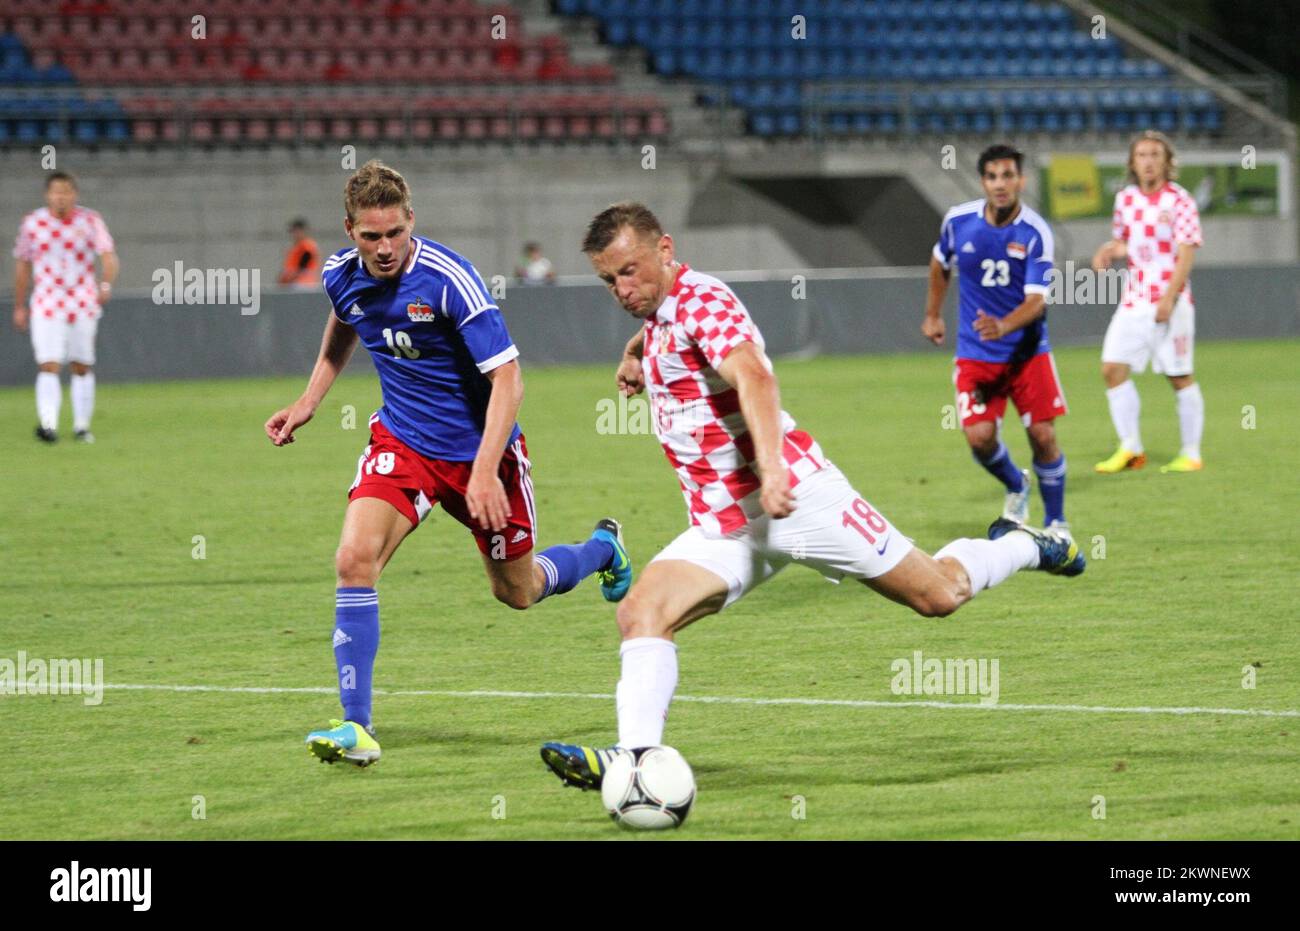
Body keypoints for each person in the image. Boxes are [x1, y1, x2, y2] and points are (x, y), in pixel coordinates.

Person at [538, 202, 1084, 791]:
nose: (621, 289)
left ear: (665, 250)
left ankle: (1030, 545)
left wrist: (771, 467)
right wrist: (633, 355)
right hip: (728, 526)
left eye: (630, 270)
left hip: (799, 498)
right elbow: (665, 335)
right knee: (641, 612)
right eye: (608, 279)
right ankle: (636, 760)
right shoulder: (664, 313)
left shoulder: (705, 301)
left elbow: (754, 375)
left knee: (939, 595)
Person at [264, 161, 632, 767]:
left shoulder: (449, 280)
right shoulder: (339, 276)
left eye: (394, 234)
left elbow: (509, 379)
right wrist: (309, 400)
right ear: (349, 230)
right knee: (354, 560)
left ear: (412, 220)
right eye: (370, 236)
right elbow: (344, 320)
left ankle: (601, 548)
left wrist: (485, 470)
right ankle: (356, 727)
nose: (384, 249)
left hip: (483, 456)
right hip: (404, 446)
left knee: (516, 593)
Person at [922, 144, 1071, 536]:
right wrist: (933, 314)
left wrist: (1004, 326)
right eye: (992, 176)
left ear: (1021, 180)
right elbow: (940, 261)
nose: (1000, 184)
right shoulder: (959, 221)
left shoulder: (1036, 232)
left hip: (1026, 352)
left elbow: (1037, 301)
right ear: (983, 181)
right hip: (976, 354)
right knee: (980, 438)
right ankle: (1016, 485)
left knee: (1043, 435)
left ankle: (1056, 523)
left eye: (1008, 176)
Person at [1091, 130, 1204, 474]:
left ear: (1168, 162)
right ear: (1132, 163)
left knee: (1179, 374)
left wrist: (1169, 297)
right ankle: (1131, 449)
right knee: (1112, 368)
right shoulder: (1125, 199)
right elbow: (1130, 243)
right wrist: (1108, 250)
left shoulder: (1181, 201)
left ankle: (1191, 452)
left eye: (1156, 154)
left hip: (1170, 300)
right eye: (1142, 155)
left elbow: (1186, 252)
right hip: (1134, 299)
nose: (1149, 161)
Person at [12, 170, 118, 443]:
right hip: (47, 302)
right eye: (56, 192)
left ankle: (82, 426)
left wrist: (105, 284)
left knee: (81, 365)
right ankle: (48, 425)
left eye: (66, 192)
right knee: (49, 364)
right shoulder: (32, 223)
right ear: (48, 195)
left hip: (83, 301)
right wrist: (19, 305)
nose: (61, 197)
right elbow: (23, 265)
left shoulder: (90, 221)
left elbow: (108, 256)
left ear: (74, 194)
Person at [278, 218, 320, 288]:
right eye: (293, 231)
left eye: (297, 231)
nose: (294, 234)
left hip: (303, 285)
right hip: (295, 284)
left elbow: (301, 268)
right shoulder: (297, 247)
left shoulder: (307, 246)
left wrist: (286, 280)